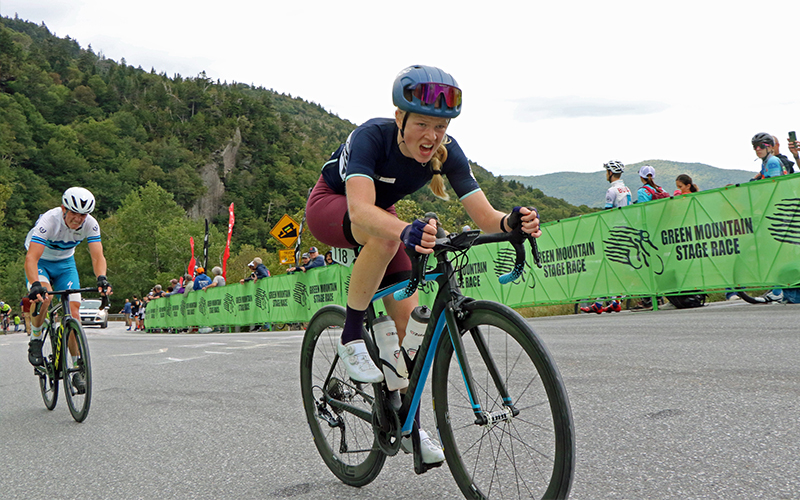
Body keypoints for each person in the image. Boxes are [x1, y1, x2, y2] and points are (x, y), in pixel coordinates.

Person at [305, 65, 541, 464]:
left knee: (408, 331)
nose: (432, 137)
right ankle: (350, 334)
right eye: (423, 125)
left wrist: (511, 222)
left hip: (384, 216)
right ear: (400, 119)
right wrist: (404, 230)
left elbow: (486, 216)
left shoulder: (449, 153)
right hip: (333, 205)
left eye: (442, 127)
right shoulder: (371, 136)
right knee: (383, 234)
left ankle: (407, 423)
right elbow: (362, 211)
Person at [25, 187, 111, 389]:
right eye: (74, 213)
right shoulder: (49, 220)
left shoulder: (91, 224)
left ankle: (76, 367)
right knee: (44, 298)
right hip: (41, 262)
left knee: (74, 313)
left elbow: (98, 256)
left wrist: (102, 279)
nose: (78, 219)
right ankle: (36, 338)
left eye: (83, 215)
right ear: (64, 208)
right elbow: (31, 257)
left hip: (65, 265)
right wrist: (36, 285)